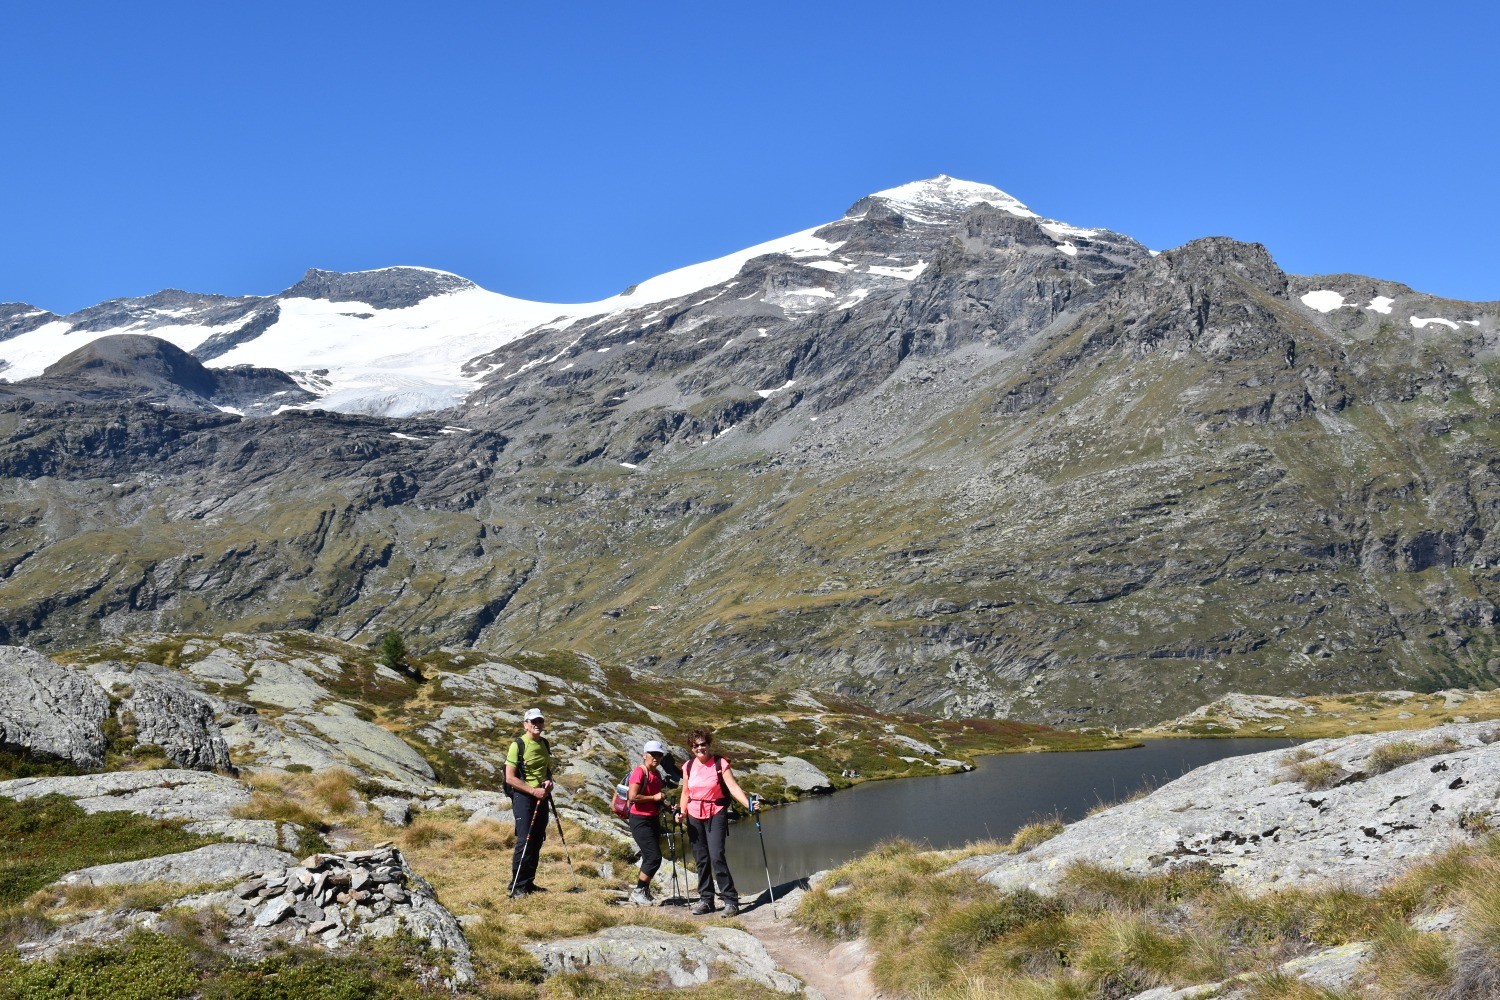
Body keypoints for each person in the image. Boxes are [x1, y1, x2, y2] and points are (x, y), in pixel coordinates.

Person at [675, 727, 756, 916]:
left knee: (716, 855)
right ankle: (706, 900)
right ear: (691, 747)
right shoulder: (688, 766)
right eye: (695, 745)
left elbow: (734, 788)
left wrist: (749, 805)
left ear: (709, 744)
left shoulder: (720, 764)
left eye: (703, 744)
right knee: (701, 859)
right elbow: (686, 792)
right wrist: (682, 812)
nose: (700, 748)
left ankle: (730, 901)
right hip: (694, 814)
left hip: (716, 813)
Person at [505, 707, 553, 898]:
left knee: (537, 840)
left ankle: (528, 883)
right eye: (533, 722)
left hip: (541, 796)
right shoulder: (518, 744)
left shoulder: (545, 744)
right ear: (525, 724)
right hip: (524, 796)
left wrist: (549, 781)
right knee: (525, 840)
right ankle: (516, 885)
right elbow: (510, 777)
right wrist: (533, 790)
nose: (537, 725)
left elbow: (546, 770)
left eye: (540, 721)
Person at [626, 740, 669, 905]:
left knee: (648, 857)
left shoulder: (657, 774)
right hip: (640, 819)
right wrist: (654, 797)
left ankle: (644, 891)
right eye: (653, 754)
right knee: (654, 857)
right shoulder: (639, 772)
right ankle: (638, 891)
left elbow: (656, 799)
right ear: (645, 755)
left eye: (659, 754)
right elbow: (633, 797)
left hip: (653, 818)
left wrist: (668, 807)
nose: (656, 757)